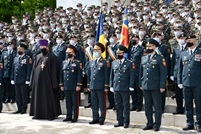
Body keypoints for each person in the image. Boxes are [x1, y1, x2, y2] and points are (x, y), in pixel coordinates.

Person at [29, 39, 61, 121]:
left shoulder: (52, 56)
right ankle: (37, 114)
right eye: (41, 46)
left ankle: (51, 115)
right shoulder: (38, 56)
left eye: (44, 46)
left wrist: (55, 84)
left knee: (49, 98)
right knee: (38, 98)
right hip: (38, 83)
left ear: (47, 47)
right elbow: (33, 70)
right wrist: (32, 82)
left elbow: (55, 70)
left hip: (48, 83)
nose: (42, 47)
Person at [139, 38, 167, 132]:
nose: (148, 48)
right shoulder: (144, 58)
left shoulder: (160, 58)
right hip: (146, 85)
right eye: (147, 46)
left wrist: (162, 85)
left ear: (154, 47)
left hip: (156, 86)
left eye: (150, 46)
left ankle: (157, 124)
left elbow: (163, 73)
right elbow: (141, 72)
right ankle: (149, 123)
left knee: (157, 107)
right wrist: (140, 83)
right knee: (147, 107)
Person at [178, 35, 201, 132]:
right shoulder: (183, 53)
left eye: (190, 40)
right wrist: (179, 81)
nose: (188, 41)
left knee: (199, 104)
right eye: (187, 40)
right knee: (188, 105)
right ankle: (189, 123)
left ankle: (199, 123)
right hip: (186, 83)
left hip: (197, 83)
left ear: (195, 41)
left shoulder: (200, 52)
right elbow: (180, 69)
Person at [110, 45, 135, 128]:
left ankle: (126, 122)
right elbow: (112, 75)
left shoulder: (129, 63)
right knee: (118, 105)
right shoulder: (114, 63)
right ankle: (119, 121)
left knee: (126, 105)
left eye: (120, 53)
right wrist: (111, 85)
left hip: (125, 87)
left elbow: (132, 75)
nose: (118, 55)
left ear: (124, 54)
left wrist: (131, 86)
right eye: (117, 53)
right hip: (116, 87)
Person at [87, 42, 109, 125]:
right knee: (94, 103)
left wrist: (106, 86)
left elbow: (106, 75)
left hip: (101, 86)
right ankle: (95, 118)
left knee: (101, 103)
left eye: (97, 50)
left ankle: (102, 118)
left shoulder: (104, 62)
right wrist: (88, 85)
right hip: (93, 85)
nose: (95, 52)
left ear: (101, 51)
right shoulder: (91, 62)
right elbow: (89, 74)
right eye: (94, 50)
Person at [60, 45, 82, 122]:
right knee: (68, 102)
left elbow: (79, 75)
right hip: (66, 85)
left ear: (74, 53)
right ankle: (68, 115)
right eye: (67, 52)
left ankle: (75, 116)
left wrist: (79, 84)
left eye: (70, 52)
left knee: (75, 102)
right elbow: (61, 74)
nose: (68, 54)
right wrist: (61, 84)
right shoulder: (64, 63)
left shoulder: (77, 63)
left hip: (74, 85)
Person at [11, 43, 32, 114]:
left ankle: (24, 108)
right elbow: (13, 69)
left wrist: (28, 79)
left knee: (24, 95)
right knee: (18, 95)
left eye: (20, 49)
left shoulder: (27, 58)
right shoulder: (15, 58)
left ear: (24, 50)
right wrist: (12, 78)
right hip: (16, 79)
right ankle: (19, 108)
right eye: (18, 49)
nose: (19, 50)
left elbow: (29, 69)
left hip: (23, 80)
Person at [170, 33, 187, 114]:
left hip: (186, 74)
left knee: (187, 94)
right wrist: (172, 73)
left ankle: (187, 109)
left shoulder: (188, 48)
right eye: (180, 38)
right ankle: (179, 109)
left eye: (183, 37)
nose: (182, 39)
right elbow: (173, 62)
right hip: (177, 74)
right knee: (178, 94)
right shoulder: (176, 49)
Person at [129, 34, 144, 112]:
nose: (134, 40)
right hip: (131, 72)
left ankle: (139, 105)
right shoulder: (130, 49)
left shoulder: (141, 49)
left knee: (138, 90)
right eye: (132, 38)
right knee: (132, 89)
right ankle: (134, 104)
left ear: (138, 40)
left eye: (135, 38)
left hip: (138, 71)